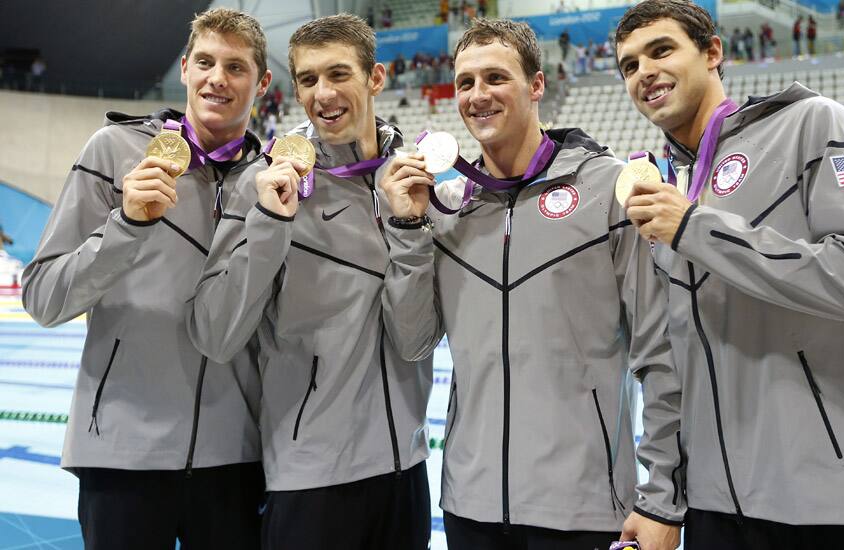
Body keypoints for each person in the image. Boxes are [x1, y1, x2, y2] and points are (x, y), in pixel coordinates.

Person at [614, 1, 844, 548]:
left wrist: (698, 227)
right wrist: (663, 498)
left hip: (843, 505)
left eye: (661, 50)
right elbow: (667, 363)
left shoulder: (813, 123)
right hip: (717, 510)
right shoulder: (667, 189)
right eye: (629, 65)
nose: (644, 72)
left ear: (712, 52)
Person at [380, 17, 664, 550]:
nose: (477, 95)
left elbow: (660, 350)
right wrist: (410, 229)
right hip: (470, 506)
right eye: (465, 83)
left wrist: (663, 495)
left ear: (536, 86)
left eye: (495, 78)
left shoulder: (608, 190)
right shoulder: (448, 207)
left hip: (584, 507)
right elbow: (414, 340)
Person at [21, 8, 272, 549]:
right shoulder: (114, 152)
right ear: (184, 69)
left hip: (235, 460)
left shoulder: (274, 182)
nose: (217, 79)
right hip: (121, 455)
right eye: (205, 62)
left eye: (235, 67)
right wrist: (127, 224)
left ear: (263, 82)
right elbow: (42, 297)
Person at [186, 14, 432, 550]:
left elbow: (415, 341)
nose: (323, 94)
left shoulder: (411, 181)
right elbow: (215, 334)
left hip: (405, 468)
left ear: (376, 78)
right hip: (310, 476)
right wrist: (270, 224)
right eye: (308, 79)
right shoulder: (265, 179)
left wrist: (410, 226)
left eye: (338, 74)